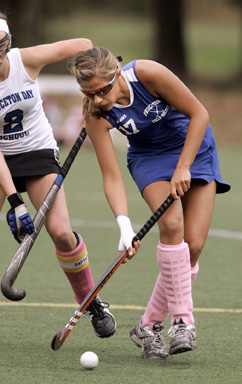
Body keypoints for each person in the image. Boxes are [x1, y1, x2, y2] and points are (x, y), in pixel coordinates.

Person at [72, 46, 230, 359]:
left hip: (193, 147)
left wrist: (184, 166)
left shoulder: (146, 73)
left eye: (102, 90)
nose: (98, 99)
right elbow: (112, 177)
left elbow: (200, 114)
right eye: (89, 92)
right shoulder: (94, 114)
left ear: (116, 74)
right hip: (149, 159)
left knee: (193, 247)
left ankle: (148, 324)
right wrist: (123, 225)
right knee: (171, 225)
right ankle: (183, 321)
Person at [0, 14, 116, 339]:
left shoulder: (26, 61)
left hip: (36, 152)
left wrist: (89, 85)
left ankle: (90, 302)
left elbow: (84, 46)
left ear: (6, 48)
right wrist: (15, 202)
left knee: (62, 233)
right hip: (1, 158)